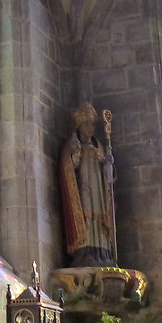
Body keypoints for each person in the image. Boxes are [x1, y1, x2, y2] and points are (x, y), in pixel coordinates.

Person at [59, 103, 116, 267]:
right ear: (80, 125)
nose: (91, 128)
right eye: (87, 124)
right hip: (83, 186)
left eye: (93, 124)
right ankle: (85, 252)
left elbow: (108, 175)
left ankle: (102, 252)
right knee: (85, 217)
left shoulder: (99, 145)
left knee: (99, 217)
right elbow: (69, 166)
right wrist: (75, 154)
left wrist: (109, 164)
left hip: (98, 188)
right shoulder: (73, 143)